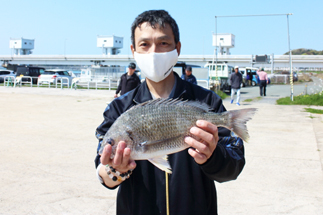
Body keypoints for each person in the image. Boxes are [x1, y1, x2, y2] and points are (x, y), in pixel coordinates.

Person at [95, 10, 245, 215]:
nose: (153, 52)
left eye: (163, 43)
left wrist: (212, 156)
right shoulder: (119, 108)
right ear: (133, 50)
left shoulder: (207, 101)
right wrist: (116, 170)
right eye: (144, 44)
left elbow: (234, 165)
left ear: (177, 48)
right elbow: (102, 174)